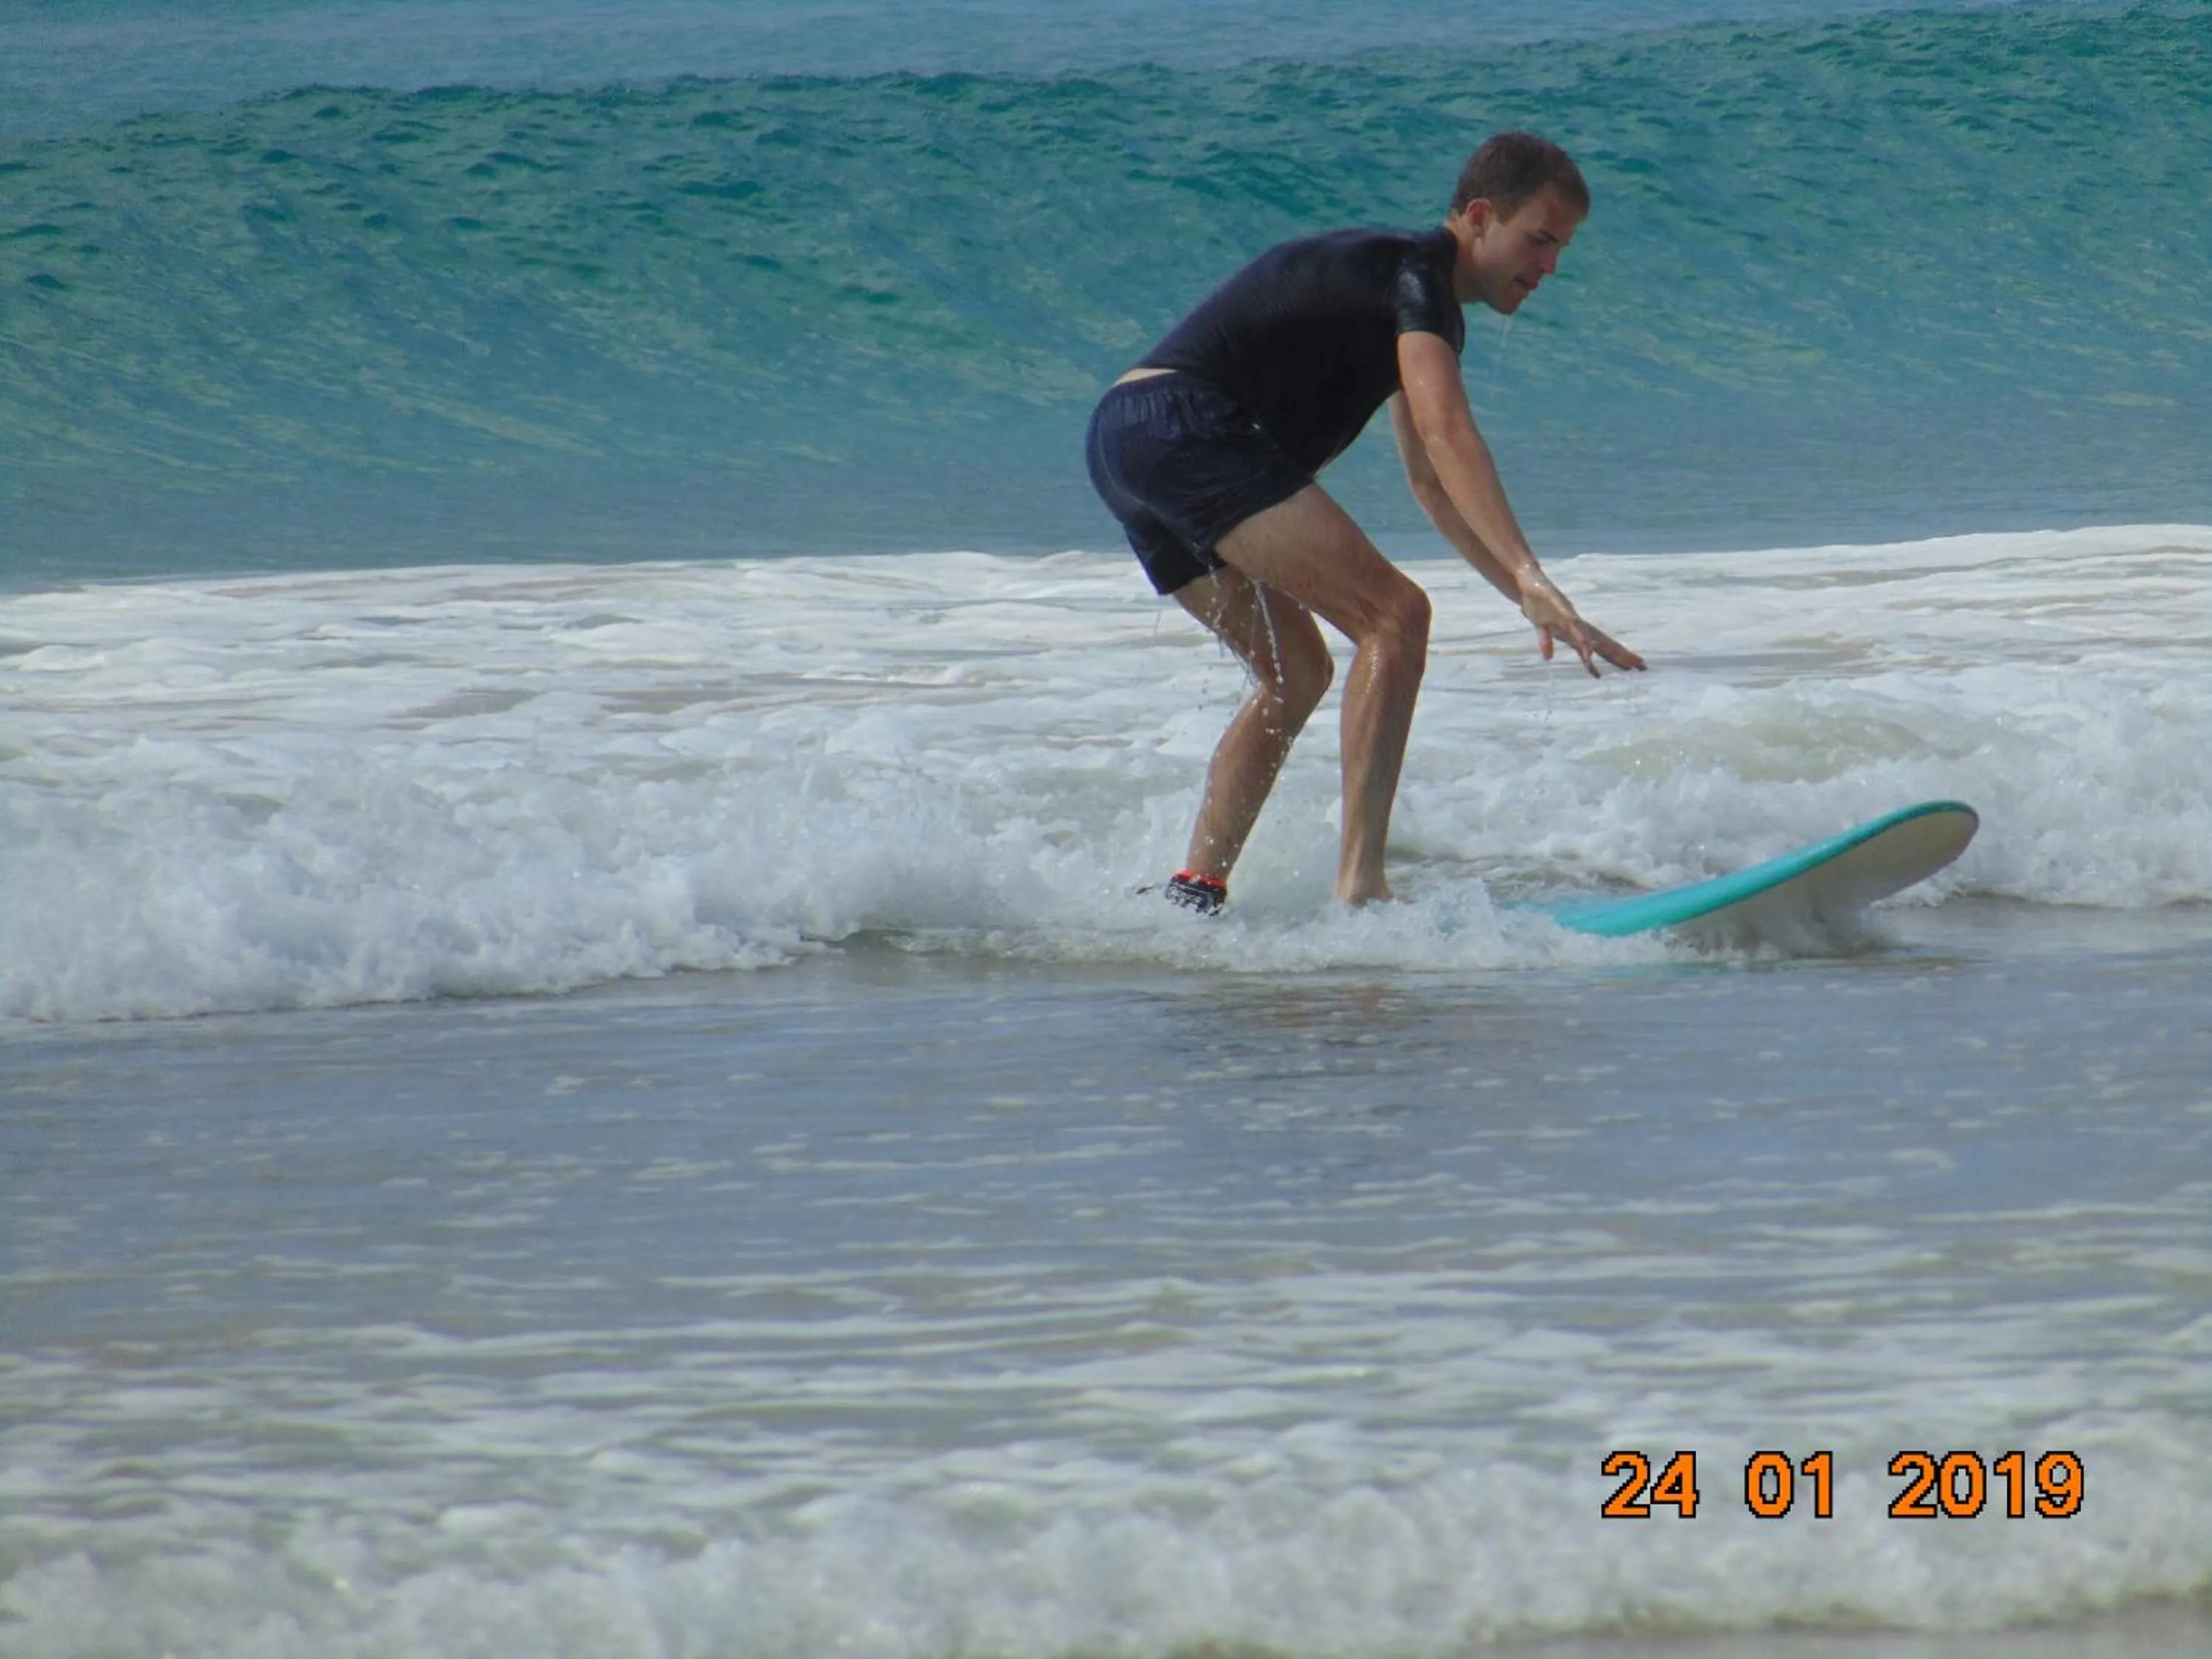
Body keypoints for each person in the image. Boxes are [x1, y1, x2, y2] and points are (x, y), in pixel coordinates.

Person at [1086, 130, 1646, 913]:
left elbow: (1431, 485)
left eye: (1562, 249)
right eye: (1539, 240)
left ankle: (1195, 890)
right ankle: (1361, 887)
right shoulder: (1421, 283)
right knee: (1397, 615)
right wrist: (1527, 569)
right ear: (1480, 217)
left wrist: (1522, 595)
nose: (1549, 266)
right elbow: (1451, 436)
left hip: (1124, 438)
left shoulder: (1394, 289)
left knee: (1296, 673)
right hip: (1181, 425)